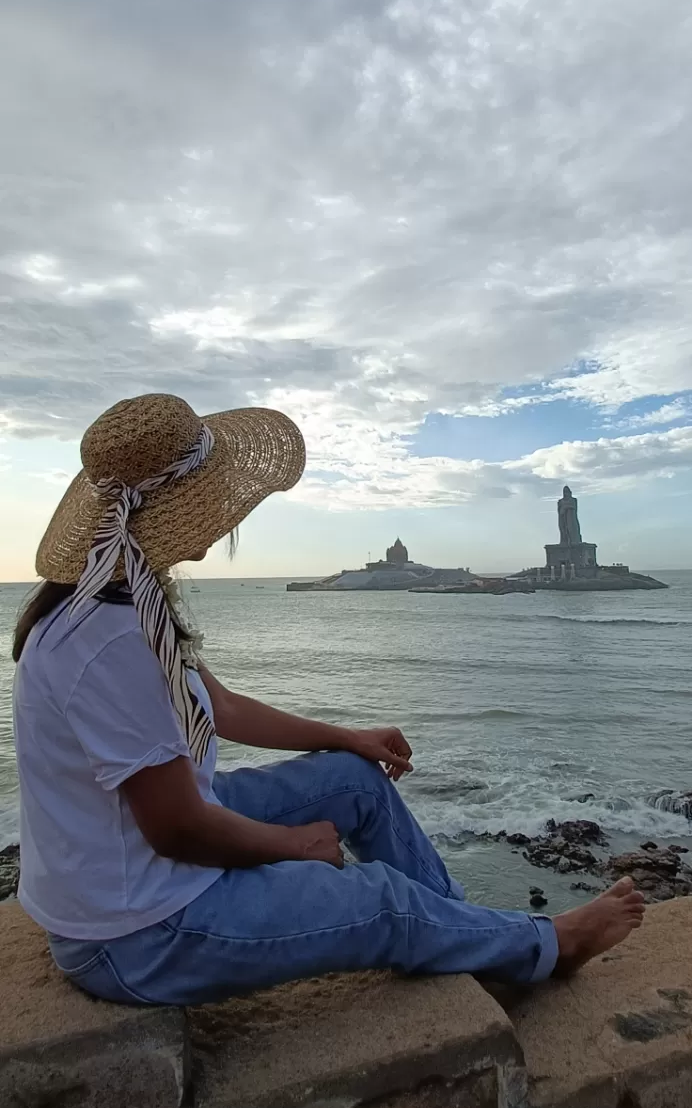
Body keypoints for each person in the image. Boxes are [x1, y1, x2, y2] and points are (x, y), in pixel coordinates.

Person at [12, 393, 644, 1007]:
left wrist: (346, 738)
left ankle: (467, 930)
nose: (227, 519)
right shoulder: (109, 643)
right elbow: (177, 829)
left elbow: (222, 709)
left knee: (354, 780)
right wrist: (294, 846)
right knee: (380, 901)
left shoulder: (125, 600)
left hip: (138, 867)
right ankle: (547, 947)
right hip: (140, 934)